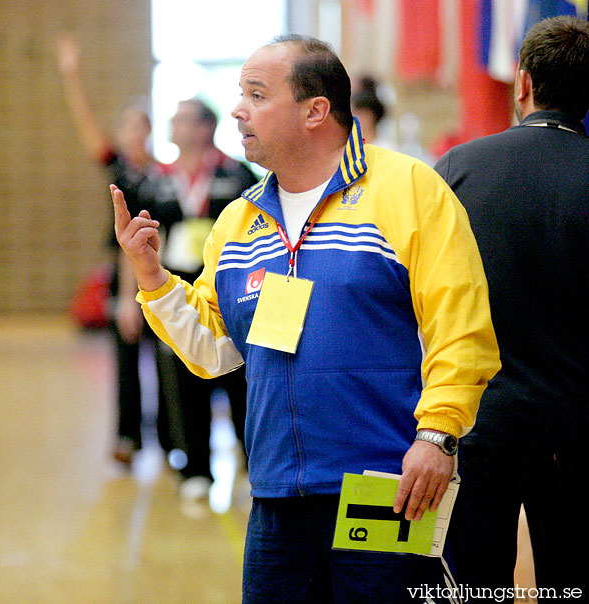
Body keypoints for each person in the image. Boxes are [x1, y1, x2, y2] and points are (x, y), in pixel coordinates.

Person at [111, 34, 500, 602]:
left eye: (258, 95)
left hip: (389, 488)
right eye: (239, 95)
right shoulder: (240, 221)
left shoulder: (410, 190)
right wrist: (151, 277)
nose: (239, 110)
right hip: (275, 500)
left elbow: (461, 328)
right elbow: (212, 349)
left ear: (316, 110)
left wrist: (438, 436)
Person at [434, 16, 589, 601]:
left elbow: (422, 298)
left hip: (477, 425)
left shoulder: (458, 168)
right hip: (575, 430)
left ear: (520, 83)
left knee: (472, 584)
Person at [56, 33, 173, 466]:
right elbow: (86, 125)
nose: (134, 132)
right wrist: (71, 74)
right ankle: (127, 439)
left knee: (165, 358)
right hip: (119, 274)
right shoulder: (117, 166)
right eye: (127, 125)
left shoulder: (165, 173)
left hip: (160, 275)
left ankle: (168, 437)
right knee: (125, 358)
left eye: (141, 125)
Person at [134, 98, 257, 500]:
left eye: (183, 117)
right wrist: (126, 297)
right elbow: (132, 244)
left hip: (230, 286)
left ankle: (251, 457)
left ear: (206, 127)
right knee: (181, 373)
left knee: (239, 374)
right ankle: (196, 467)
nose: (172, 123)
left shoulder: (237, 174)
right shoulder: (154, 179)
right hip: (172, 283)